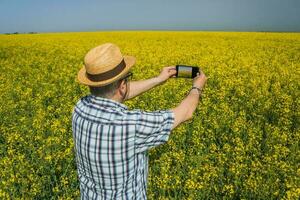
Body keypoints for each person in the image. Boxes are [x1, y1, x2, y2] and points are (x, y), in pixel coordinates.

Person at [72, 43, 207, 199]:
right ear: (122, 85)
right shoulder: (130, 125)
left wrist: (158, 80)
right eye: (127, 81)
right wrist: (197, 87)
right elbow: (185, 112)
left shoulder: (79, 107)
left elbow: (118, 94)